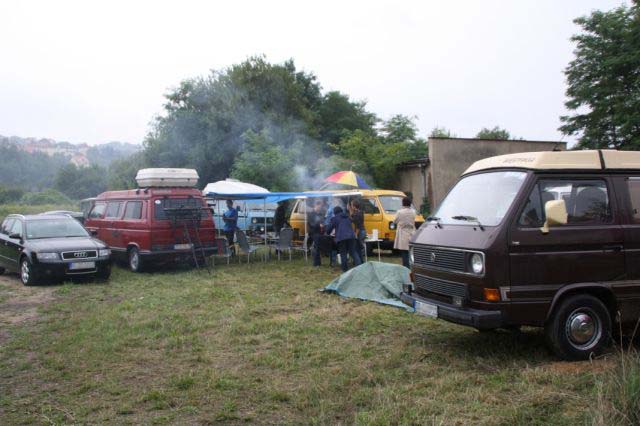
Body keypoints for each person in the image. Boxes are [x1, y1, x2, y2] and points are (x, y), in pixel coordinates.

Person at [326, 206, 362, 272]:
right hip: (351, 236)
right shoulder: (347, 216)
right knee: (353, 252)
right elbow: (353, 222)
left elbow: (329, 229)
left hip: (341, 238)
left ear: (335, 212)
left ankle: (345, 270)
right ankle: (360, 267)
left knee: (343, 253)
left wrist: (327, 232)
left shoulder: (334, 218)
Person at [394, 197, 416, 268]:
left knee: (404, 252)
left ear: (403, 203)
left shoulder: (400, 212)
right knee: (410, 252)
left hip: (403, 233)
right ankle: (411, 266)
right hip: (411, 232)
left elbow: (395, 221)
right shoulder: (413, 212)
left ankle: (406, 267)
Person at [307, 199, 325, 267]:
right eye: (319, 206)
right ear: (316, 205)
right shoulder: (311, 214)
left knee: (318, 247)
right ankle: (316, 263)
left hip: (319, 232)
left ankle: (318, 263)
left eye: (321, 207)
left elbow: (322, 221)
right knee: (316, 247)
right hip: (313, 233)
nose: (320, 208)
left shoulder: (320, 214)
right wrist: (319, 225)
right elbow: (311, 224)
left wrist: (323, 224)